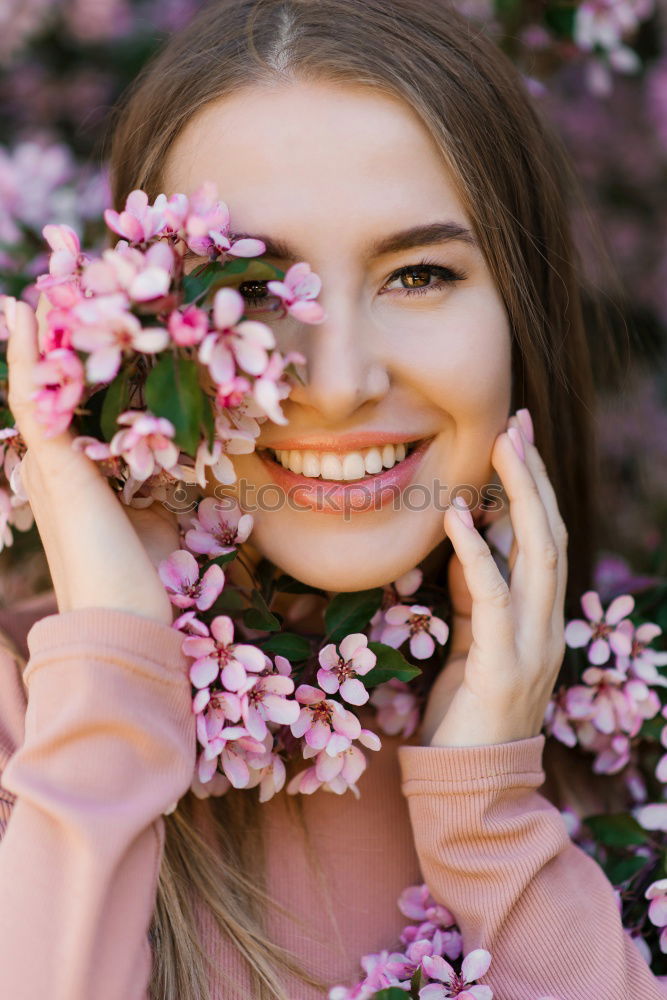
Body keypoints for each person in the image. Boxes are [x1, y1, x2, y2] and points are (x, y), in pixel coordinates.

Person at [0, 1, 665, 998]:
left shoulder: (631, 732)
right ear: (139, 315)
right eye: (257, 286)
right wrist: (113, 687)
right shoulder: (26, 719)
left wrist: (491, 821)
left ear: (520, 312)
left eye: (421, 273)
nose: (339, 380)